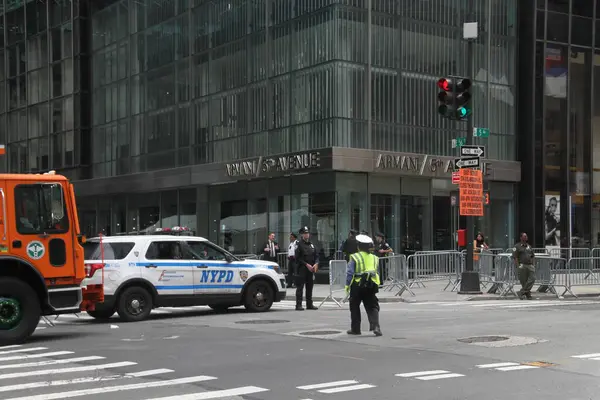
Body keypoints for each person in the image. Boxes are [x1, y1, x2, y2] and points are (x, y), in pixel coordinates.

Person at [345, 234, 382, 336]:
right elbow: (377, 272)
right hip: (371, 284)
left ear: (358, 246)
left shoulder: (355, 257)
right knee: (373, 306)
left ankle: (356, 329)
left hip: (357, 284)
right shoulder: (375, 258)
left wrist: (347, 286)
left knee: (354, 306)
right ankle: (376, 326)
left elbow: (349, 273)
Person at [295, 226, 319, 311]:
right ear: (302, 234)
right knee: (300, 287)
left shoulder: (311, 244)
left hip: (311, 269)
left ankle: (309, 304)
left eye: (307, 233)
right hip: (302, 269)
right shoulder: (299, 244)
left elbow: (316, 255)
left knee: (310, 287)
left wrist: (316, 263)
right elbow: (297, 258)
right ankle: (298, 305)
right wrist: (306, 265)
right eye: (305, 233)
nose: (307, 235)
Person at [512, 232, 535, 300]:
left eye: (526, 236)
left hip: (530, 265)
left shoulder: (529, 246)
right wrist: (518, 266)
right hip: (522, 265)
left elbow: (533, 256)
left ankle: (522, 292)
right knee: (523, 281)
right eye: (524, 236)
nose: (526, 237)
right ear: (521, 238)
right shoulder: (516, 246)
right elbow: (515, 257)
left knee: (533, 278)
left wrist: (533, 264)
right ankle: (528, 294)